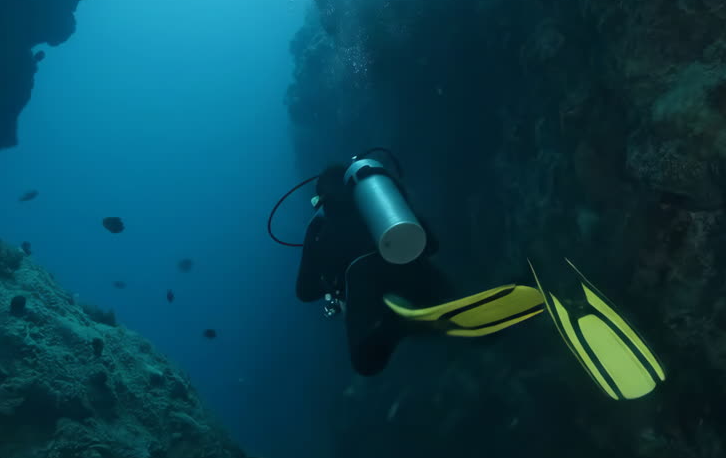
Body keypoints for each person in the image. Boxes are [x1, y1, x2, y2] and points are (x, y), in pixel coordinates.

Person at [277, 151, 667, 399]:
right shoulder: (383, 207)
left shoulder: (321, 226)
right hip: (410, 266)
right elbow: (430, 244)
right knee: (481, 330)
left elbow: (304, 292)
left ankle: (398, 325)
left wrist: (327, 269)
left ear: (322, 198)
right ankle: (532, 278)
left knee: (366, 362)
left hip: (362, 278)